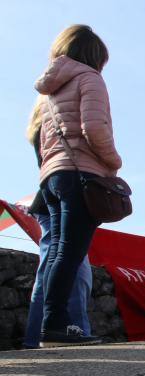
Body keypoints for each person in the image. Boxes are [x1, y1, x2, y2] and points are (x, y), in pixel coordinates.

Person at [34, 25, 122, 347]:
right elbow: (95, 129)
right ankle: (55, 326)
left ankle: (53, 324)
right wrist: (114, 162)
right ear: (95, 55)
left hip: (53, 175)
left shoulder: (50, 91)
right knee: (71, 252)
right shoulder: (90, 78)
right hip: (80, 173)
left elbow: (44, 140)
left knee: (59, 251)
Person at [23, 98, 92, 348]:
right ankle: (69, 330)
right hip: (60, 195)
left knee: (53, 267)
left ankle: (37, 337)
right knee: (72, 268)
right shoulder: (59, 117)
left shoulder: (41, 123)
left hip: (47, 198)